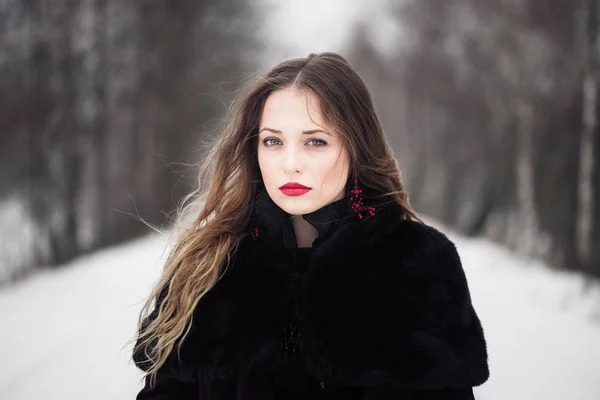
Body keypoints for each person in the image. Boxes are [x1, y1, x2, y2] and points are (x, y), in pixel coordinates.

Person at [131, 52, 489, 399]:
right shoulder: (206, 265)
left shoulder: (420, 264)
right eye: (273, 141)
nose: (290, 164)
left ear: (355, 146)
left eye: (315, 141)